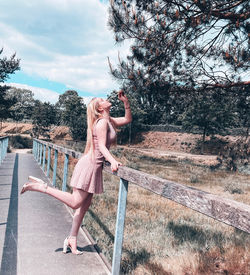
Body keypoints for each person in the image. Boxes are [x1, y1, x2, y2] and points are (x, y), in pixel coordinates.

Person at [20, 90, 132, 255]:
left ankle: (72, 239)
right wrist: (113, 160)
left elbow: (128, 119)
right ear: (99, 108)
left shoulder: (109, 120)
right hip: (89, 166)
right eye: (101, 99)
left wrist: (126, 102)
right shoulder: (101, 123)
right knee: (75, 202)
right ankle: (40, 186)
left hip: (95, 167)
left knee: (84, 206)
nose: (106, 98)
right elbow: (101, 146)